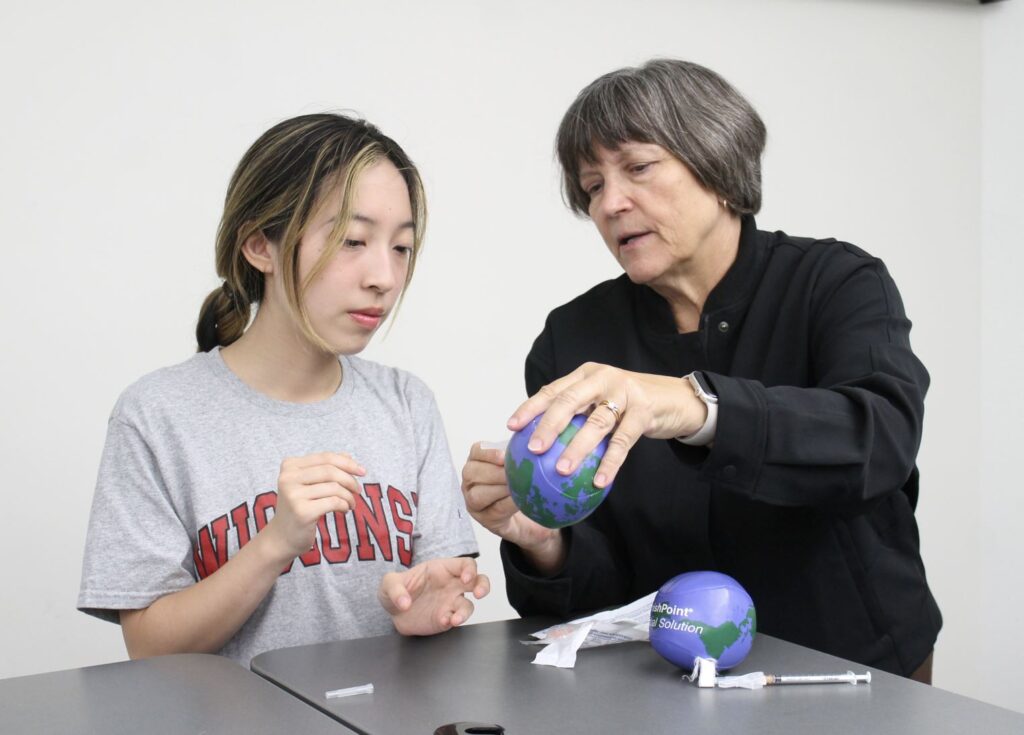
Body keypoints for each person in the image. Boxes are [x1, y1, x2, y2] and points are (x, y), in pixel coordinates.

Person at [462, 59, 940, 682]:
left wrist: (696, 408)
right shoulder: (572, 340)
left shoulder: (837, 283)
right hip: (668, 689)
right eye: (591, 185)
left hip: (855, 670)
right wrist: (545, 542)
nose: (610, 203)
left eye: (637, 167)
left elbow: (879, 440)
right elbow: (604, 594)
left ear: (718, 166)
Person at [78, 113, 488, 666]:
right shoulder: (157, 415)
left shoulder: (406, 404)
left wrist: (430, 612)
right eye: (352, 240)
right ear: (260, 246)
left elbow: (439, 590)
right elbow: (150, 647)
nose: (384, 277)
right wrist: (274, 544)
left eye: (401, 247)